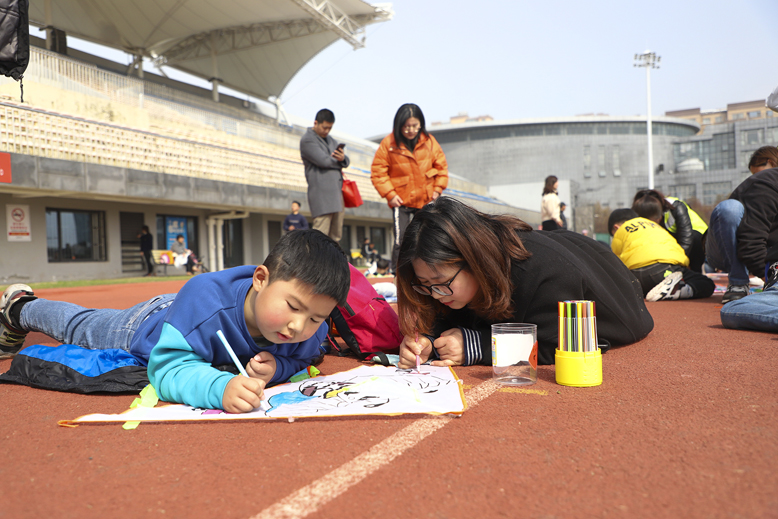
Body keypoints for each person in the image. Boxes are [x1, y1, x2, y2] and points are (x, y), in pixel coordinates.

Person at [0, 230, 350, 412]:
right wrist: (219, 388)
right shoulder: (207, 301)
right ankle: (20, 307)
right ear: (261, 279)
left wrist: (279, 367)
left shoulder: (309, 327)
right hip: (147, 324)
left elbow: (304, 355)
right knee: (82, 326)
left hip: (185, 311)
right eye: (292, 307)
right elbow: (167, 368)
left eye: (315, 318)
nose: (297, 327)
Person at [394, 197, 653, 368]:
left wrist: (479, 346)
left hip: (618, 298)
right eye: (424, 285)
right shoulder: (458, 280)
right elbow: (450, 311)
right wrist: (427, 339)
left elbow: (558, 344)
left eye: (440, 282)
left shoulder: (544, 274)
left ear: (474, 259)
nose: (435, 295)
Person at [371, 103, 448, 271]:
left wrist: (437, 189)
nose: (411, 130)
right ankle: (399, 276)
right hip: (401, 201)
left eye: (415, 125)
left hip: (427, 199)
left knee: (429, 237)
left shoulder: (430, 142)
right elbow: (378, 172)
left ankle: (431, 272)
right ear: (399, 125)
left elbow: (442, 168)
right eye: (407, 127)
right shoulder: (388, 144)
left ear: (421, 124)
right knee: (401, 240)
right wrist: (390, 194)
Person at [706, 146, 778, 304]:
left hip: (754, 249)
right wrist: (768, 276)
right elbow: (750, 241)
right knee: (730, 209)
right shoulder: (763, 187)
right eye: (755, 176)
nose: (758, 180)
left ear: (772, 163)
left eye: (759, 174)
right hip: (725, 247)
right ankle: (738, 283)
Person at [608, 208, 714, 301]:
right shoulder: (654, 225)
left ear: (616, 227)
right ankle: (679, 291)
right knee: (706, 284)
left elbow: (616, 263)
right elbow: (675, 248)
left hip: (635, 277)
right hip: (665, 268)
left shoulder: (621, 231)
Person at [300, 109, 350, 243]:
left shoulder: (331, 140)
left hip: (336, 194)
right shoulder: (307, 140)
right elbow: (323, 161)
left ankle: (333, 264)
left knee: (336, 237)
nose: (327, 131)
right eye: (325, 127)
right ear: (315, 123)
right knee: (320, 237)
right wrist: (339, 161)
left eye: (330, 128)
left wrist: (342, 158)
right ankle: (317, 264)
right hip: (321, 194)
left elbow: (345, 160)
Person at [632, 189, 707, 272]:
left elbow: (686, 239)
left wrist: (677, 262)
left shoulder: (676, 207)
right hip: (676, 242)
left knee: (694, 239)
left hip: (698, 241)